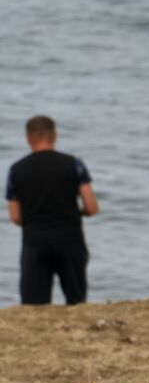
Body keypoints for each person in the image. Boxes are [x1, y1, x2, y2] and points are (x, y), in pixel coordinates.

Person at [5, 116, 99, 305]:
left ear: (28, 138)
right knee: (77, 301)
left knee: (34, 306)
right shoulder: (74, 164)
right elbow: (91, 207)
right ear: (54, 136)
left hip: (35, 242)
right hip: (70, 239)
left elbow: (15, 217)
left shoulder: (16, 170)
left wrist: (34, 221)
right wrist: (78, 213)